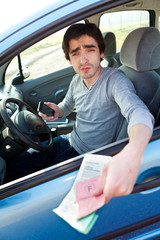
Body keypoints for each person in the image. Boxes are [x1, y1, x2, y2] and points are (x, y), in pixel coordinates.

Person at [7, 23, 154, 203]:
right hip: (68, 142)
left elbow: (137, 111)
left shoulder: (116, 81)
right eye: (75, 53)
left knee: (26, 192)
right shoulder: (77, 80)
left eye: (89, 50)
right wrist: (57, 110)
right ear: (69, 60)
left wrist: (134, 151)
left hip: (84, 159)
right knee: (15, 166)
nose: (83, 59)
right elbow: (67, 106)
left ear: (101, 53)